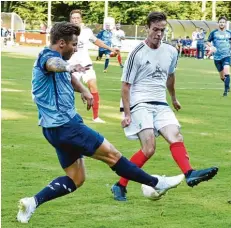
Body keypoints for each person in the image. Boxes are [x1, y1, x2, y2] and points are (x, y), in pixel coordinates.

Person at [16, 21, 185, 223]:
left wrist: (85, 90)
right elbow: (56, 65)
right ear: (61, 43)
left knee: (76, 178)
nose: (76, 48)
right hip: (67, 127)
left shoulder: (57, 59)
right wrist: (69, 66)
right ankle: (156, 183)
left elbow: (66, 76)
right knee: (113, 156)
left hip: (52, 130)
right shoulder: (49, 57)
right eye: (74, 44)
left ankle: (32, 202)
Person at [111, 12, 218, 201]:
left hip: (160, 102)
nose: (159, 34)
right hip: (139, 103)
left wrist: (174, 98)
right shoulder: (137, 53)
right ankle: (120, 185)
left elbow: (170, 76)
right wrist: (126, 114)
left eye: (162, 30)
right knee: (149, 148)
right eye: (155, 30)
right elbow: (125, 86)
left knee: (175, 135)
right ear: (147, 29)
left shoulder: (171, 51)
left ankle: (190, 174)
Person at [69, 10, 117, 123]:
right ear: (70, 19)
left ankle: (96, 117)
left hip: (86, 64)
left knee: (93, 86)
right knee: (68, 89)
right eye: (73, 18)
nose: (75, 19)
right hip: (72, 66)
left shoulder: (86, 31)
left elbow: (96, 41)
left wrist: (110, 49)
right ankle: (69, 113)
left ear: (81, 19)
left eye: (77, 18)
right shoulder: (66, 31)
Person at [207, 16, 231, 96]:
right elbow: (208, 41)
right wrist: (211, 46)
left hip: (226, 56)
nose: (222, 23)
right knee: (222, 77)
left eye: (223, 22)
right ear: (218, 23)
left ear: (225, 24)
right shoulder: (214, 33)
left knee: (227, 73)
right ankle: (227, 84)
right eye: (220, 22)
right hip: (217, 57)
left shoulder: (229, 33)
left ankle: (225, 92)